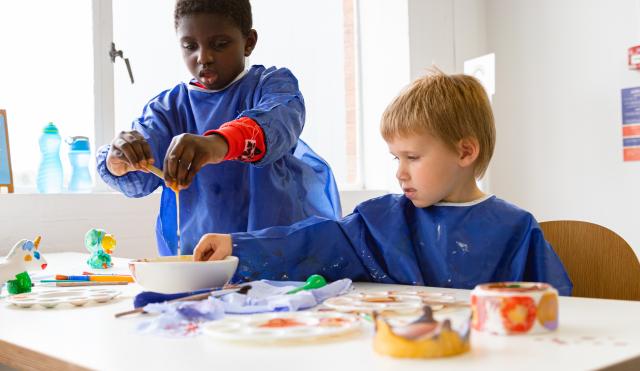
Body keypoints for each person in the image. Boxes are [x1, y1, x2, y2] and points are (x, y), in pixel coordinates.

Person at [193, 69, 573, 296]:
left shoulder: (515, 230)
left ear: (465, 152)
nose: (400, 172)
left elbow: (557, 312)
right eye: (397, 158)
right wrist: (237, 244)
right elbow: (311, 241)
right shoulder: (382, 221)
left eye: (413, 158)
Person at [96, 0, 341, 256]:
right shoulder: (168, 109)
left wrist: (216, 144)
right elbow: (141, 178)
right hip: (197, 260)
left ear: (249, 42)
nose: (204, 57)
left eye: (220, 44)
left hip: (273, 254)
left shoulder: (273, 85)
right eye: (190, 46)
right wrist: (119, 162)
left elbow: (278, 123)